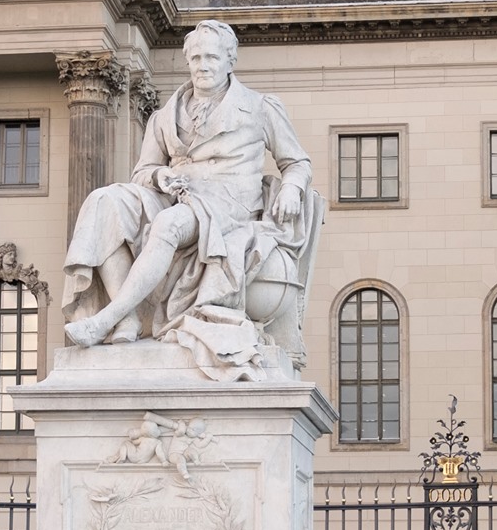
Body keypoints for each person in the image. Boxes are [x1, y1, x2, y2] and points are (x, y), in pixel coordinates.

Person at [61, 20, 319, 380]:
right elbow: (143, 171)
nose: (203, 65)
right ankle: (130, 316)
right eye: (196, 57)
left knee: (169, 224)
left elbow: (297, 162)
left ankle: (108, 317)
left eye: (212, 57)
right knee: (105, 201)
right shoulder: (165, 115)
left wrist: (292, 188)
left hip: (230, 205)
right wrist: (159, 176)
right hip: (177, 195)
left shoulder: (259, 108)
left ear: (230, 61)